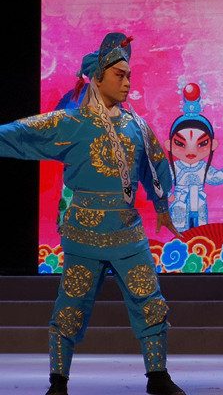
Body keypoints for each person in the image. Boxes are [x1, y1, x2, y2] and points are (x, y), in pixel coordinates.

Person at [0, 33, 186, 395]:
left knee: (150, 300)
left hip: (128, 232)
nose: (127, 82)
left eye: (129, 75)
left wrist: (162, 208)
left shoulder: (138, 126)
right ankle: (58, 382)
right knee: (71, 304)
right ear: (97, 78)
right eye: (119, 75)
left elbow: (156, 166)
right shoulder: (72, 122)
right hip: (84, 233)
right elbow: (22, 134)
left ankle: (158, 376)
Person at [168, 82, 223, 232]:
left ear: (213, 145)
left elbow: (214, 177)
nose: (191, 150)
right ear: (169, 145)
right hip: (180, 205)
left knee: (199, 234)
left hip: (199, 205)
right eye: (181, 143)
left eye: (201, 143)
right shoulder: (175, 167)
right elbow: (163, 181)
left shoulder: (203, 167)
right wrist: (168, 195)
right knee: (180, 234)